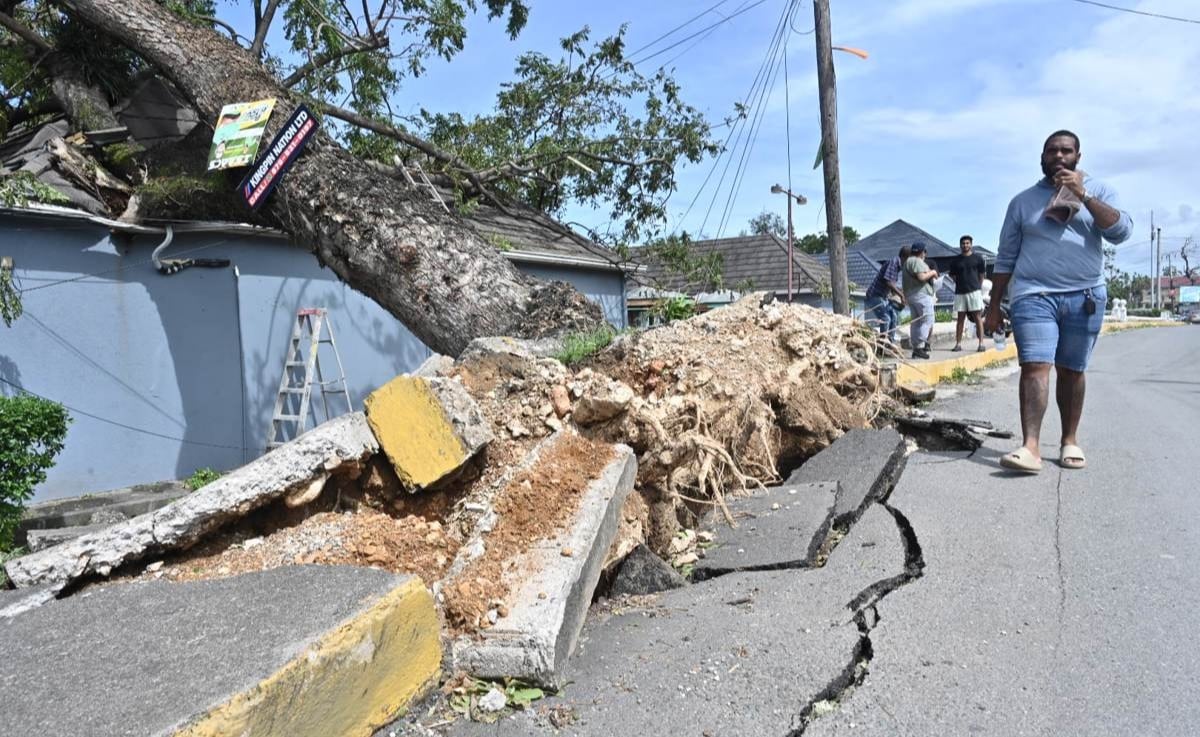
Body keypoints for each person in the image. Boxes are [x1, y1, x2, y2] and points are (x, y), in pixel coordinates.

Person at [985, 130, 1132, 473]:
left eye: (1066, 150)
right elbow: (1005, 257)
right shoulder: (1022, 202)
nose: (1058, 156)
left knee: (1071, 370)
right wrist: (994, 307)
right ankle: (1030, 447)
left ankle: (1069, 440)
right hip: (1033, 295)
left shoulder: (1101, 190)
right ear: (1042, 156)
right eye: (1051, 151)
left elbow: (1121, 232)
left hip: (1085, 296)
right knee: (1034, 366)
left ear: (1078, 156)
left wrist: (1083, 194)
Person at [948, 235, 988, 352]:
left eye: (967, 243)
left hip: (974, 291)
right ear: (960, 245)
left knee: (977, 317)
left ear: (971, 244)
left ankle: (981, 343)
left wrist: (977, 287)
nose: (965, 245)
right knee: (960, 319)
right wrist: (960, 283)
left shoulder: (978, 258)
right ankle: (958, 344)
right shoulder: (956, 260)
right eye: (963, 243)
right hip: (960, 292)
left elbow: (981, 275)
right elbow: (953, 275)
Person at [864, 245, 910, 344]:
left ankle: (890, 343)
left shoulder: (897, 267)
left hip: (883, 297)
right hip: (874, 296)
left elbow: (892, 287)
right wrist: (901, 295)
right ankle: (883, 345)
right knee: (886, 318)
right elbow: (888, 282)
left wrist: (900, 300)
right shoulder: (894, 262)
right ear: (905, 258)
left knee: (894, 316)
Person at [902, 241, 939, 359]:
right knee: (928, 320)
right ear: (922, 252)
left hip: (911, 295)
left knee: (916, 322)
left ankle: (916, 348)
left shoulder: (907, 262)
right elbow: (921, 277)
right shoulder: (916, 261)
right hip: (921, 295)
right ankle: (919, 346)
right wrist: (933, 272)